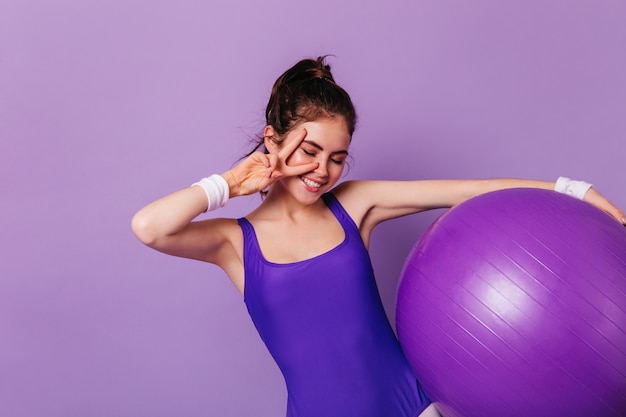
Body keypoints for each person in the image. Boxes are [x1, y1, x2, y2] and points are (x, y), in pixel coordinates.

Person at [131, 56, 625, 417]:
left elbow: (470, 190)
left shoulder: (354, 205)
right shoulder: (235, 243)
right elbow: (150, 227)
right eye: (309, 151)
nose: (322, 170)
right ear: (271, 140)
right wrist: (230, 184)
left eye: (337, 157)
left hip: (415, 409)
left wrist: (574, 189)